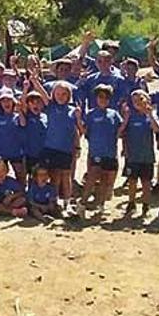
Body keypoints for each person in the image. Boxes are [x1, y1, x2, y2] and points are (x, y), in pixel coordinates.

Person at [77, 84, 125, 220]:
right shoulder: (91, 114)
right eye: (100, 97)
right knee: (92, 178)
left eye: (106, 97)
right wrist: (79, 119)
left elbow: (119, 131)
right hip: (96, 151)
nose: (103, 100)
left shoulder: (114, 114)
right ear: (96, 98)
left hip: (110, 152)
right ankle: (82, 203)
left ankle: (101, 204)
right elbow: (85, 131)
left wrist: (126, 118)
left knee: (106, 180)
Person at [37, 81, 84, 212]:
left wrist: (79, 119)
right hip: (51, 147)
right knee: (54, 176)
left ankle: (67, 202)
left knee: (66, 176)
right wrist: (35, 80)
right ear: (53, 94)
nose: (61, 96)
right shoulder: (51, 106)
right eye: (58, 93)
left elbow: (79, 130)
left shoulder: (73, 110)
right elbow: (43, 94)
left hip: (66, 149)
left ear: (69, 95)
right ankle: (55, 200)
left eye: (64, 94)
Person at [121, 90, 159, 217]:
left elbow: (157, 129)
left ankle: (145, 205)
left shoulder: (151, 115)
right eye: (135, 101)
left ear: (147, 99)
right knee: (132, 181)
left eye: (140, 99)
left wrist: (150, 114)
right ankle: (131, 203)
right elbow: (122, 133)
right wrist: (125, 119)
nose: (138, 103)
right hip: (132, 154)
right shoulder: (130, 115)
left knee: (146, 182)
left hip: (147, 155)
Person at [0, 89, 25, 183]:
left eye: (9, 100)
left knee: (20, 175)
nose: (6, 103)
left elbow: (23, 123)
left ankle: (22, 194)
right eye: (3, 101)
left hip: (15, 152)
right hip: (0, 152)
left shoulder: (16, 116)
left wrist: (20, 111)